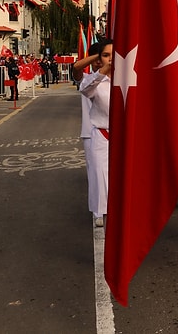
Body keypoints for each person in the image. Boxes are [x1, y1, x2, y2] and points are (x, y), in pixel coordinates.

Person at [78, 40, 113, 228]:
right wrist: (100, 65)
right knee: (99, 181)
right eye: (106, 55)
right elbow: (84, 87)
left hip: (124, 139)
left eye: (114, 55)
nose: (110, 59)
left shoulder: (127, 78)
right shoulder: (92, 80)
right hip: (98, 135)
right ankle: (100, 212)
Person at [72, 43, 104, 227]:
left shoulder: (111, 79)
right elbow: (76, 67)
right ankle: (98, 211)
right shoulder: (85, 79)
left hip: (109, 131)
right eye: (98, 58)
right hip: (90, 132)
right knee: (95, 174)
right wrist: (97, 57)